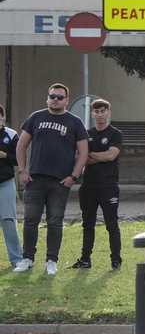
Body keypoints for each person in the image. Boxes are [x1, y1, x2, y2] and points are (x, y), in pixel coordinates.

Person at [14, 83, 90, 274]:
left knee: (55, 222)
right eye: (52, 96)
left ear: (67, 100)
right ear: (47, 98)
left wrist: (74, 176)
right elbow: (21, 145)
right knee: (30, 220)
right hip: (35, 179)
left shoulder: (75, 122)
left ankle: (51, 261)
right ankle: (27, 259)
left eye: (60, 97)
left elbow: (83, 152)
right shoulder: (36, 117)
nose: (55, 100)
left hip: (60, 181)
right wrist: (22, 170)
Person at [68, 99, 123, 271]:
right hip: (89, 186)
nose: (100, 115)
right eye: (96, 112)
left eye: (103, 111)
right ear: (92, 114)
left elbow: (111, 156)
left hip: (108, 185)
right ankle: (85, 260)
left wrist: (90, 155)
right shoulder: (86, 134)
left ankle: (115, 260)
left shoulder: (115, 134)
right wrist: (96, 156)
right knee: (87, 224)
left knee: (111, 224)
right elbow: (80, 158)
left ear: (108, 113)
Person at [0, 104, 21, 266]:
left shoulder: (11, 134)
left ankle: (17, 259)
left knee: (8, 221)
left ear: (2, 117)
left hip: (5, 183)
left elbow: (19, 159)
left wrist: (5, 155)